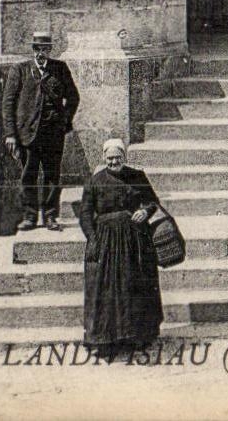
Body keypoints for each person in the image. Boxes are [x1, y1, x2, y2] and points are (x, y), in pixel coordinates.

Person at [80, 139, 163, 355]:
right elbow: (86, 214)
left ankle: (138, 336)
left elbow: (152, 202)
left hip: (134, 239)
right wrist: (92, 238)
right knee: (105, 288)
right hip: (106, 240)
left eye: (118, 157)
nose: (114, 161)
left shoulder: (137, 176)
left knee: (135, 284)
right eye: (110, 158)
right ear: (104, 158)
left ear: (124, 157)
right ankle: (106, 339)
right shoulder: (95, 181)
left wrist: (145, 211)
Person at [1, 29, 80, 233]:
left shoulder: (60, 69)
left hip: (53, 134)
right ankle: (30, 216)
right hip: (28, 134)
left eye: (44, 49)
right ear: (32, 49)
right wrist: (11, 134)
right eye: (36, 48)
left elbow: (73, 98)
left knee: (52, 176)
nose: (40, 53)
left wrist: (64, 121)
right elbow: (8, 104)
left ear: (50, 49)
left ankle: (50, 216)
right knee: (29, 175)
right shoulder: (20, 70)